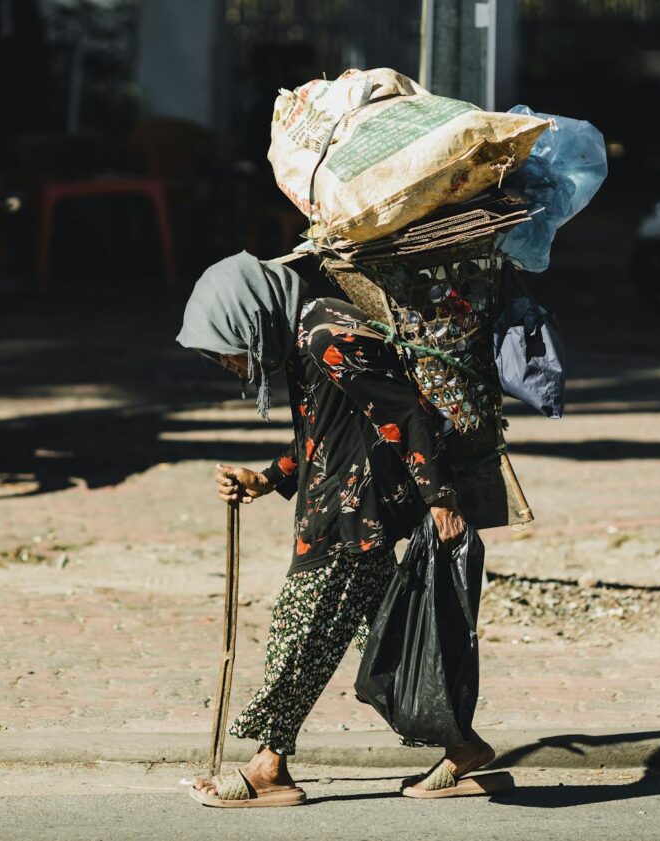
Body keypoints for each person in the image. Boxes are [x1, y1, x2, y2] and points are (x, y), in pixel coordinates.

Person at [177, 252, 495, 807]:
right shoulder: (307, 338)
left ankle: (268, 765)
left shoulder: (327, 336)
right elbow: (325, 432)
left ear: (250, 315)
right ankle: (462, 747)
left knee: (299, 635)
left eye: (227, 347)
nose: (229, 364)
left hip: (353, 519)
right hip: (340, 509)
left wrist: (441, 499)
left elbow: (407, 413)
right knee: (389, 641)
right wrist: (269, 478)